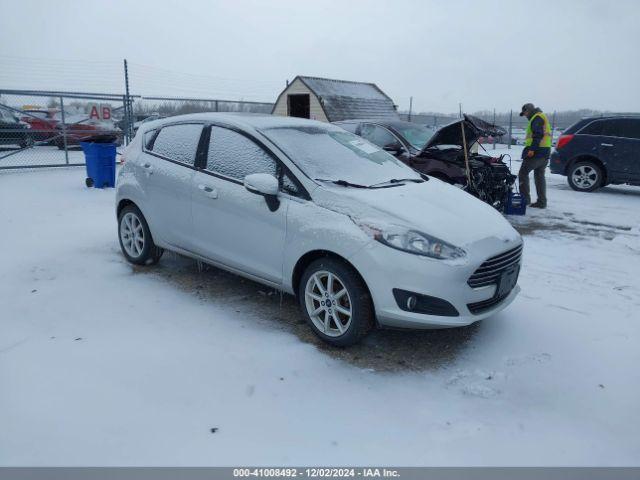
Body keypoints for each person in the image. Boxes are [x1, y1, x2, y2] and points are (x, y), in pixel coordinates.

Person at [519, 103, 552, 208]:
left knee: (523, 173)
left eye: (525, 113)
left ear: (528, 111)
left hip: (536, 152)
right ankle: (542, 202)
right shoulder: (541, 116)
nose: (525, 116)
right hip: (545, 152)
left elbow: (538, 135)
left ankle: (525, 200)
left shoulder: (536, 118)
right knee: (539, 176)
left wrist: (532, 149)